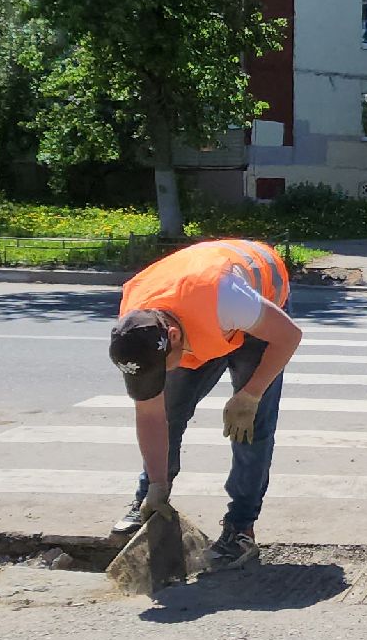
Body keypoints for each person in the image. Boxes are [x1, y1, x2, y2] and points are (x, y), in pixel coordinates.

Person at [107, 238, 303, 569]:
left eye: (160, 368)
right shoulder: (136, 325)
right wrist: (157, 483)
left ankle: (241, 528)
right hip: (198, 318)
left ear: (172, 338)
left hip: (260, 317)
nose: (159, 378)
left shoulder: (226, 299)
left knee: (250, 426)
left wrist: (251, 395)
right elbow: (151, 414)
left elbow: (289, 336)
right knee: (169, 412)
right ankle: (149, 502)